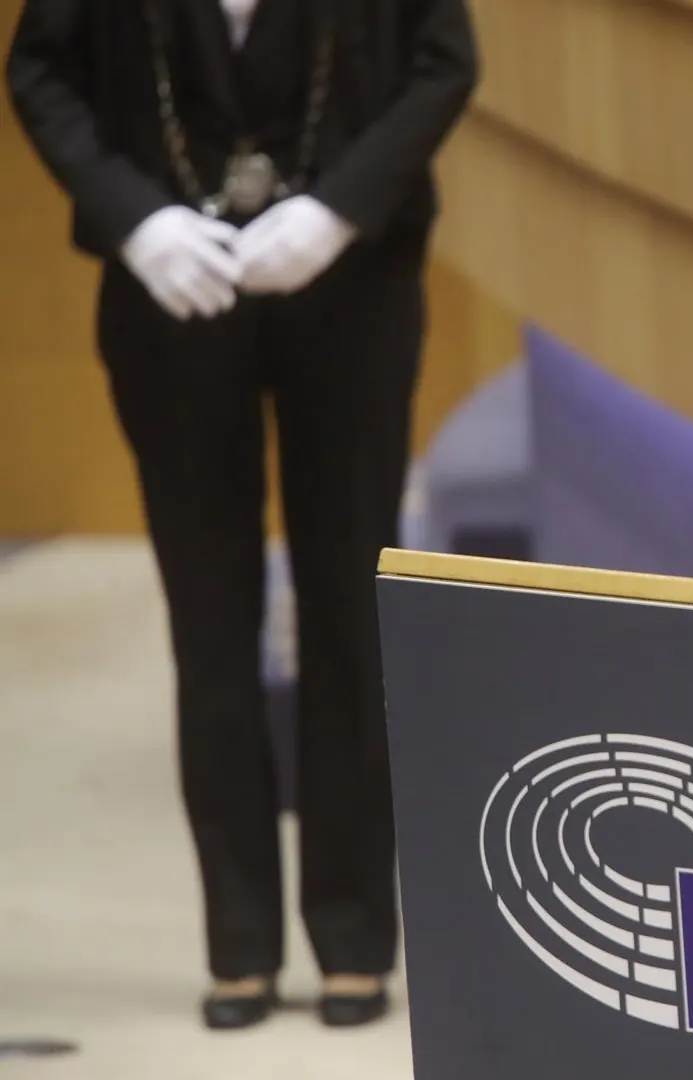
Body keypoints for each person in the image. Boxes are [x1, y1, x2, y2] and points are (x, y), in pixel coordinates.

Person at [7, 0, 477, 1030]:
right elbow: (40, 72)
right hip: (170, 294)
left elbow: (444, 63)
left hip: (352, 289)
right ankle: (239, 945)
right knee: (208, 622)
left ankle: (353, 935)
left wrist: (340, 211)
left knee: (349, 604)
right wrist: (133, 216)